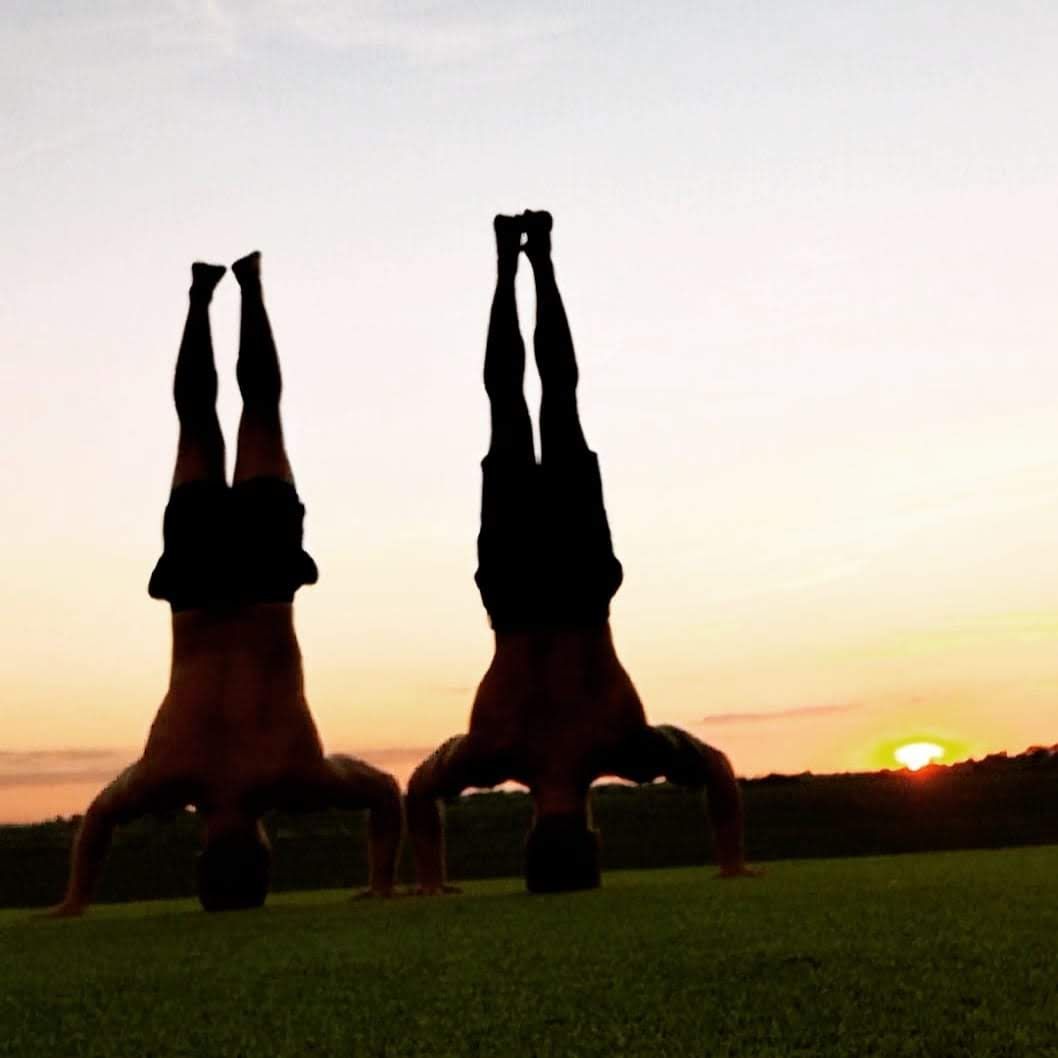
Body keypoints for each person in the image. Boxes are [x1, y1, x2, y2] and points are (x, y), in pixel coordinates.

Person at [407, 212, 757, 894]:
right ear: (530, 834)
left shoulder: (621, 743)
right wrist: (426, 880)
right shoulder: (491, 750)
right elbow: (421, 788)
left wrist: (731, 862)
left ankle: (536, 260)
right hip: (512, 588)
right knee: (509, 404)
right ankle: (517, 261)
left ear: (592, 837)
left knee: (557, 400)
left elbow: (715, 765)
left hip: (578, 581)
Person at [48, 253, 401, 915]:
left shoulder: (299, 774)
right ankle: (201, 295)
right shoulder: (163, 777)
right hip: (197, 593)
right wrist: (75, 900)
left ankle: (249, 285)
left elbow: (384, 792)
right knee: (195, 422)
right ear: (201, 855)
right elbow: (98, 817)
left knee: (261, 411)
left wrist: (383, 883)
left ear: (265, 853)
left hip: (266, 587)